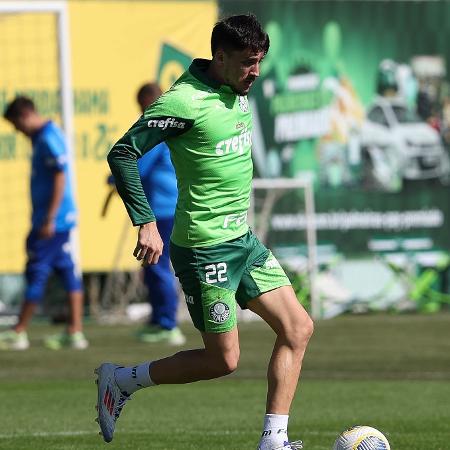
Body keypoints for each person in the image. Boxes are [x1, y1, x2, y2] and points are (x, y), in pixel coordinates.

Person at [95, 14, 313, 450]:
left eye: (260, 62)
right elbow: (121, 154)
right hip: (204, 250)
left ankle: (274, 440)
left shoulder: (238, 88)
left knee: (299, 328)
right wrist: (145, 222)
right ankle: (120, 381)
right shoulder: (183, 103)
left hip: (242, 241)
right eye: (248, 62)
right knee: (224, 360)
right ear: (220, 57)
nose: (255, 71)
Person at [0, 96, 88, 351]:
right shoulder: (43, 136)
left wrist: (49, 218)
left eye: (16, 125)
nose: (17, 131)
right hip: (58, 219)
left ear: (25, 116)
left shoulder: (48, 137)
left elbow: (61, 177)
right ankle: (75, 331)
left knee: (37, 270)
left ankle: (18, 331)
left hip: (53, 221)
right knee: (67, 271)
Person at [133, 82, 185, 344]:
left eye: (142, 106)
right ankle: (158, 320)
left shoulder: (158, 128)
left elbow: (138, 165)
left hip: (164, 210)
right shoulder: (170, 125)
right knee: (151, 266)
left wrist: (114, 179)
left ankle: (168, 325)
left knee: (158, 266)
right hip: (163, 208)